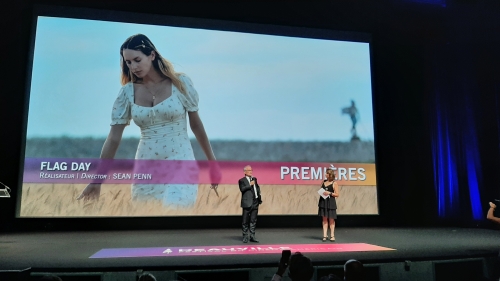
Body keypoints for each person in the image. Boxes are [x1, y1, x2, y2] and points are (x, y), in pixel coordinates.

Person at [77, 34, 219, 209]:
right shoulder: (127, 93)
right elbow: (113, 138)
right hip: (146, 167)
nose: (133, 67)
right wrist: (97, 181)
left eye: (137, 60)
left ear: (151, 55)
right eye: (128, 62)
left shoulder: (180, 84)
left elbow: (196, 125)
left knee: (174, 215)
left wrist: (213, 164)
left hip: (181, 163)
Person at [239, 165, 262, 243]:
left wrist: (259, 196)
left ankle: (252, 236)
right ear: (245, 172)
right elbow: (242, 189)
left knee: (253, 220)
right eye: (249, 170)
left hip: (255, 202)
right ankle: (245, 236)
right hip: (247, 203)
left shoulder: (254, 179)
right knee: (245, 221)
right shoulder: (242, 180)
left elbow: (257, 188)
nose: (251, 171)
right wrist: (250, 185)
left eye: (251, 170)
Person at [318, 168, 339, 242]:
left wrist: (329, 193)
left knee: (331, 220)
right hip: (323, 202)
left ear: (329, 175)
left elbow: (337, 194)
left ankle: (332, 236)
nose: (325, 174)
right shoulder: (323, 182)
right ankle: (324, 235)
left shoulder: (334, 183)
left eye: (326, 173)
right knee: (324, 219)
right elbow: (320, 190)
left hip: (331, 203)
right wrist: (322, 192)